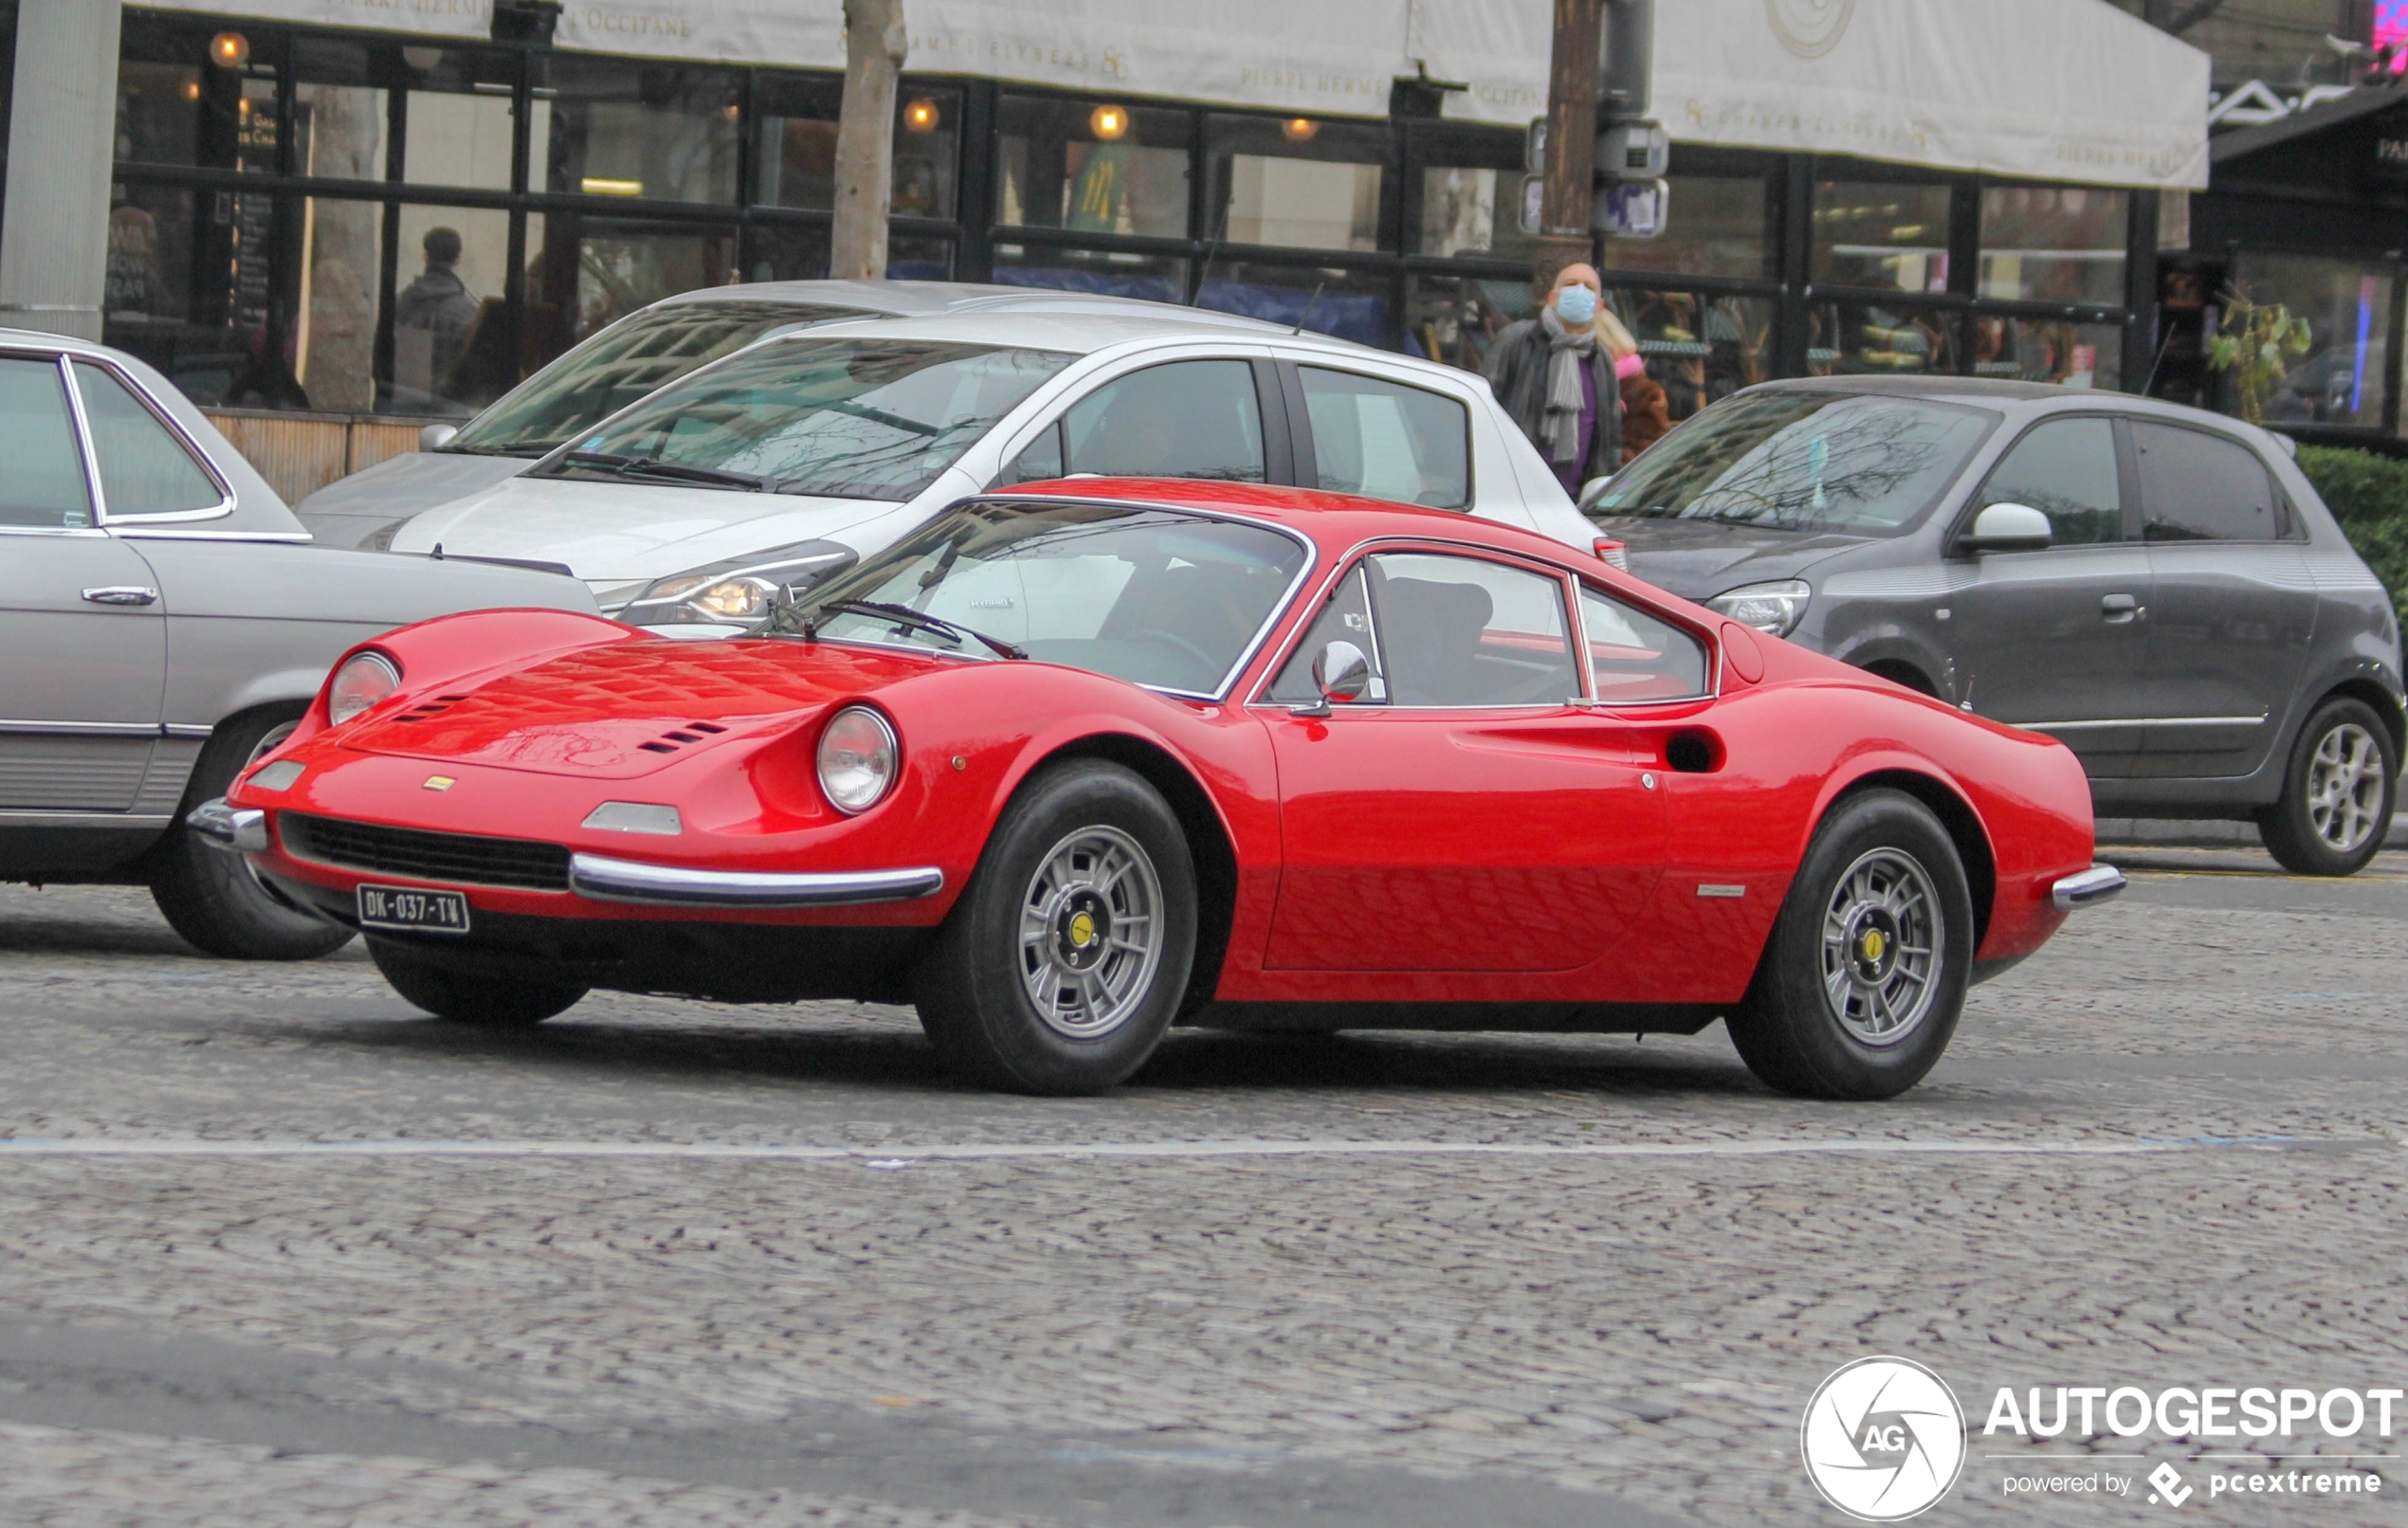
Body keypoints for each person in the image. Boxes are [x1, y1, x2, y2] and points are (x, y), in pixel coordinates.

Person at [1484, 263, 1668, 497]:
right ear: (1552, 298)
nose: (1579, 291)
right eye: (1570, 285)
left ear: (1599, 307)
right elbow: (1485, 406)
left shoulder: (1601, 360)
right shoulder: (1517, 341)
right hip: (1512, 491)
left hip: (1573, 500)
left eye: (1589, 287)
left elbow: (1609, 440)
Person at [393, 227, 481, 402]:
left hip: (402, 400)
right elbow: (472, 368)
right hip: (447, 405)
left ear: (425, 255)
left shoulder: (401, 302)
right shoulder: (466, 311)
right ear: (457, 260)